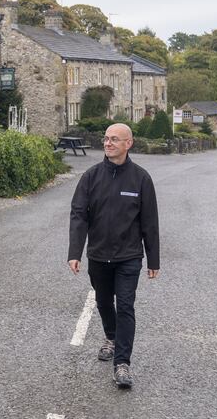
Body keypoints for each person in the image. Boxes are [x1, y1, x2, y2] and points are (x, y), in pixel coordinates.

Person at [68, 123, 160, 389]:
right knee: (104, 302)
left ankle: (122, 363)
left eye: (114, 139)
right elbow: (78, 216)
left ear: (128, 143)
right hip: (98, 255)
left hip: (129, 256)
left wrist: (153, 259)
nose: (108, 143)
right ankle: (110, 336)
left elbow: (150, 222)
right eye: (106, 139)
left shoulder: (141, 179)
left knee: (126, 306)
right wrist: (75, 252)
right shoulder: (91, 177)